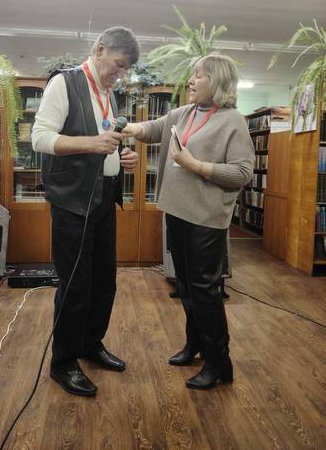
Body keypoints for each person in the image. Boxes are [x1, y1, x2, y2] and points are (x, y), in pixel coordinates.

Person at [123, 53, 254, 390]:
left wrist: (195, 165)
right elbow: (153, 129)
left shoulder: (233, 121)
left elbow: (243, 172)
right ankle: (195, 344)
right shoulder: (184, 113)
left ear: (218, 82)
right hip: (177, 212)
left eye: (199, 75)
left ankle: (219, 362)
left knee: (205, 290)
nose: (191, 81)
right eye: (193, 74)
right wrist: (129, 128)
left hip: (206, 218)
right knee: (186, 285)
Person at [31, 27, 140, 397]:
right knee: (75, 285)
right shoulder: (64, 84)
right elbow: (40, 138)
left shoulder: (107, 94)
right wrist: (93, 144)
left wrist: (123, 157)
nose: (120, 75)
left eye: (125, 70)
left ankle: (90, 344)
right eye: (118, 65)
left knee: (104, 282)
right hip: (72, 201)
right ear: (100, 48)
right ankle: (63, 362)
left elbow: (105, 143)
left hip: (104, 198)